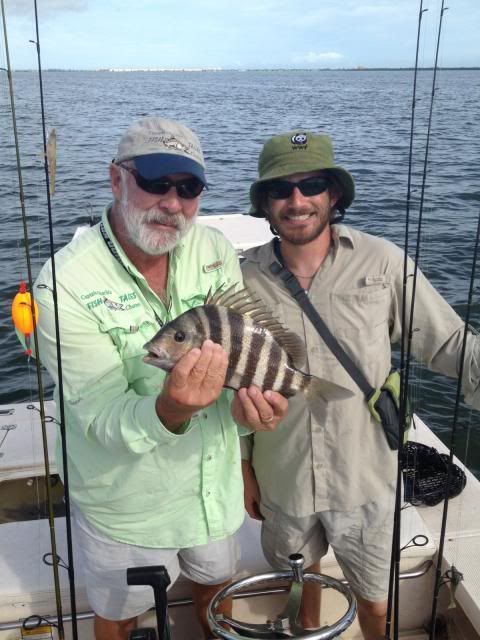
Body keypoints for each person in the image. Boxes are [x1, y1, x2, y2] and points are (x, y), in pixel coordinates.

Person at [33, 117, 287, 640]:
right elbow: (97, 416)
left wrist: (245, 421)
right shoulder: (64, 286)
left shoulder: (213, 249)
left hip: (212, 490)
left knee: (217, 589)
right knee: (120, 615)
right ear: (116, 179)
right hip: (125, 506)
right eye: (155, 182)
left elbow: (240, 350)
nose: (173, 203)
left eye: (189, 188)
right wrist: (170, 409)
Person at [240, 130, 480, 640]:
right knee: (298, 584)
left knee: (375, 601)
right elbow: (234, 380)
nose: (297, 200)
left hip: (365, 476)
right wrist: (243, 467)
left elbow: (448, 343)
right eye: (281, 189)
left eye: (313, 185)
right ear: (264, 202)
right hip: (281, 475)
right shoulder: (243, 278)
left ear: (334, 195)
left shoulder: (383, 263)